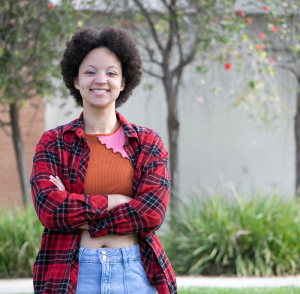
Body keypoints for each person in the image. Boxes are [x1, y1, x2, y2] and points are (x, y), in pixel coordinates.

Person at [30, 26, 177, 294]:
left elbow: (151, 214)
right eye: (90, 71)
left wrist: (77, 212)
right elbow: (50, 210)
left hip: (135, 272)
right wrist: (116, 201)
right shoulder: (53, 142)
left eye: (111, 72)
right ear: (76, 80)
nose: (100, 79)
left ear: (123, 83)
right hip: (73, 274)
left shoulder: (148, 143)